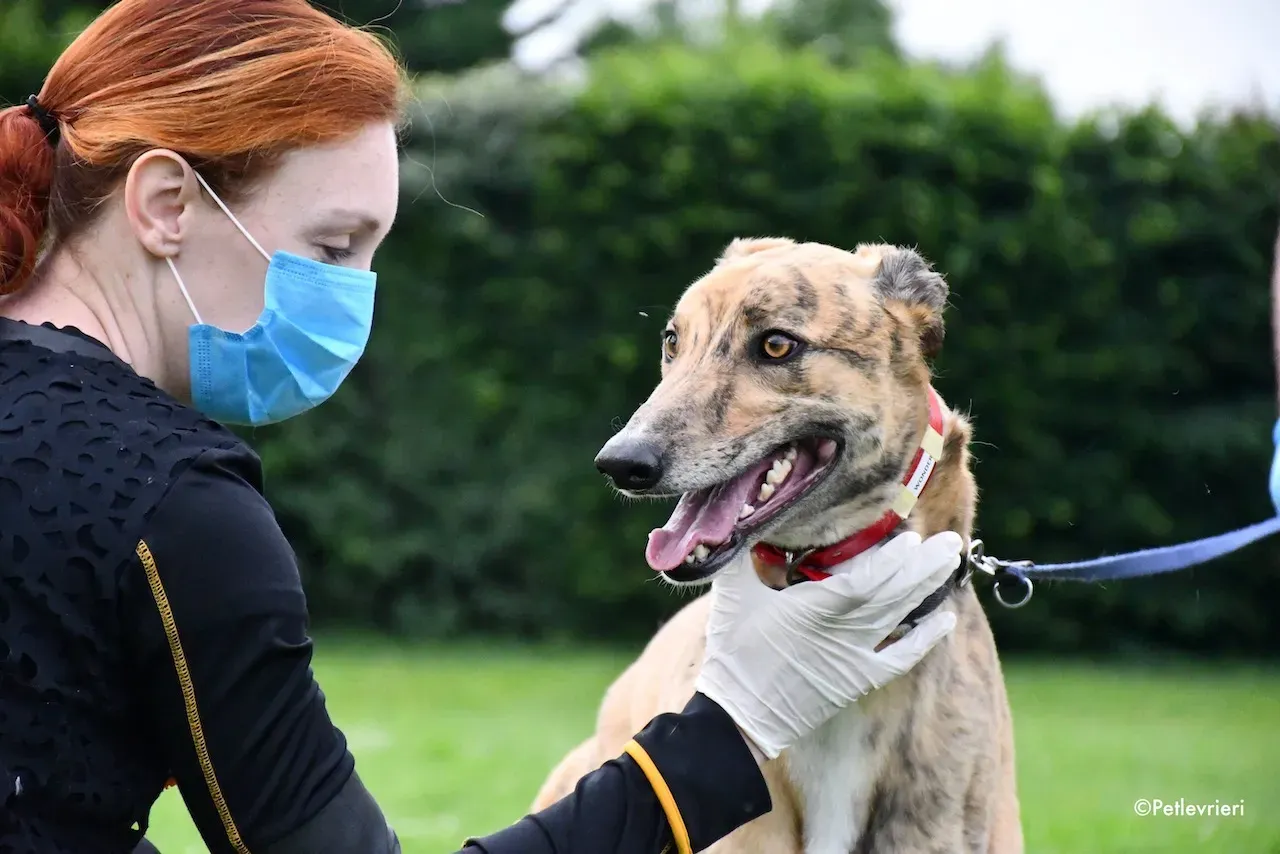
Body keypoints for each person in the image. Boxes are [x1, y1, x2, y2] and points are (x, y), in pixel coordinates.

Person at [0, 2, 962, 852]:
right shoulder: (175, 508)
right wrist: (733, 728)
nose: (355, 298)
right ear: (166, 205)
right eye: (331, 247)